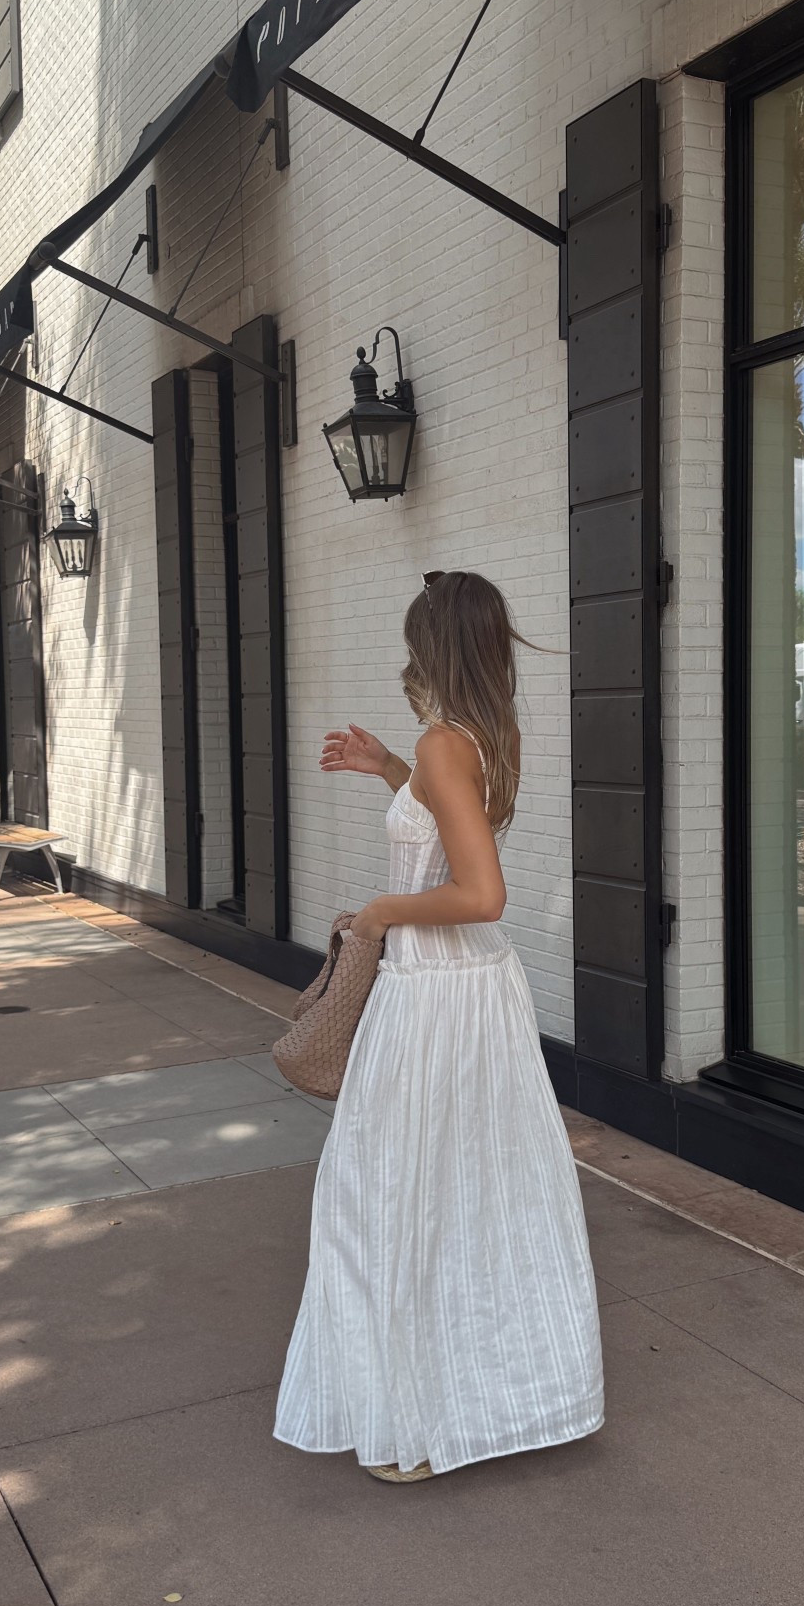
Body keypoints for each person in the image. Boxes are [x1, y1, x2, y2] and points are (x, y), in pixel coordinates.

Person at [274, 571, 604, 1483]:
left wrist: (378, 912)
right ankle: (487, 1398)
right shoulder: (474, 740)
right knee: (470, 1192)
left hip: (434, 1000)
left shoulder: (446, 743)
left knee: (389, 1196)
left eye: (417, 639)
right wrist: (387, 766)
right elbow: (444, 826)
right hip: (467, 993)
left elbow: (479, 893)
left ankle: (420, 1426)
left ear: (435, 648)